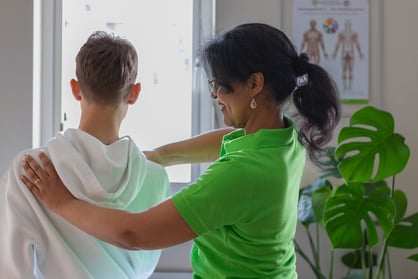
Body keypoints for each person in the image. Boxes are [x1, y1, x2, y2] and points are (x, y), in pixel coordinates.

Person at [21, 23, 341, 278]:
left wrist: (61, 202)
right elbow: (230, 138)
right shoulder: (284, 138)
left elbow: (134, 233)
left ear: (254, 84)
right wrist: (159, 155)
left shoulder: (240, 174)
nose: (215, 95)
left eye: (218, 85)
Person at [0, 31, 170, 278]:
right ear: (134, 93)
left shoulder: (30, 169)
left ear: (75, 89)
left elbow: (12, 270)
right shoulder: (155, 178)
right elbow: (143, 264)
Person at [332, 20, 364, 91]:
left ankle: (349, 87)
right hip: (346, 52)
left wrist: (360, 53)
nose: (348, 26)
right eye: (347, 25)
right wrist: (334, 53)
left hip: (349, 52)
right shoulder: (342, 34)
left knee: (350, 70)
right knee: (344, 70)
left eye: (348, 25)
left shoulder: (353, 34)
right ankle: (345, 87)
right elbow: (338, 44)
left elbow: (357, 44)